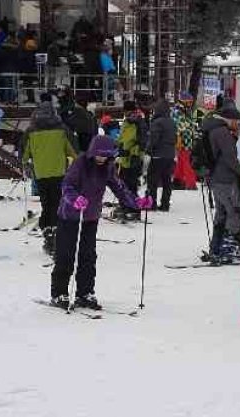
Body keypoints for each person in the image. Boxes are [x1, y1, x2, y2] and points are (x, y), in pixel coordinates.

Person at [49, 135, 152, 310]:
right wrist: (75, 199)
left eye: (105, 155)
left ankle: (85, 292)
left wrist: (137, 202)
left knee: (88, 257)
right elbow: (67, 186)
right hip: (70, 217)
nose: (101, 158)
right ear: (91, 152)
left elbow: (119, 188)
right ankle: (59, 293)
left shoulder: (108, 168)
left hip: (90, 218)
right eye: (99, 155)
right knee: (66, 256)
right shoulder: (80, 164)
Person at [23, 100, 77, 256]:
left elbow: (24, 153)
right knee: (57, 203)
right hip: (59, 172)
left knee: (46, 203)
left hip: (40, 173)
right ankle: (54, 230)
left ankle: (47, 230)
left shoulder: (31, 131)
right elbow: (73, 150)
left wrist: (26, 165)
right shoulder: (62, 129)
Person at [201, 102, 240, 263]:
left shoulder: (211, 128)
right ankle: (228, 248)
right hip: (225, 178)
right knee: (233, 211)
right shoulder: (222, 132)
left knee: (221, 213)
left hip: (215, 178)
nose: (238, 124)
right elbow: (230, 157)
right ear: (229, 119)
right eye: (237, 121)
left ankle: (216, 247)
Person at [115, 100, 147, 220]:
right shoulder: (126, 122)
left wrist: (133, 152)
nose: (128, 114)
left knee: (131, 185)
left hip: (134, 158)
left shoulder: (139, 122)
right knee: (123, 184)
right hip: (124, 159)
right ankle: (124, 205)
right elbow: (123, 138)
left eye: (129, 112)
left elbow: (143, 142)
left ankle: (134, 209)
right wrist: (119, 147)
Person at [145, 98, 177, 211]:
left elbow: (154, 139)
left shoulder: (157, 122)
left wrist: (148, 150)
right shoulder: (172, 122)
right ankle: (165, 204)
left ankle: (151, 204)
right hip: (170, 155)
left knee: (152, 180)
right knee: (166, 180)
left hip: (158, 155)